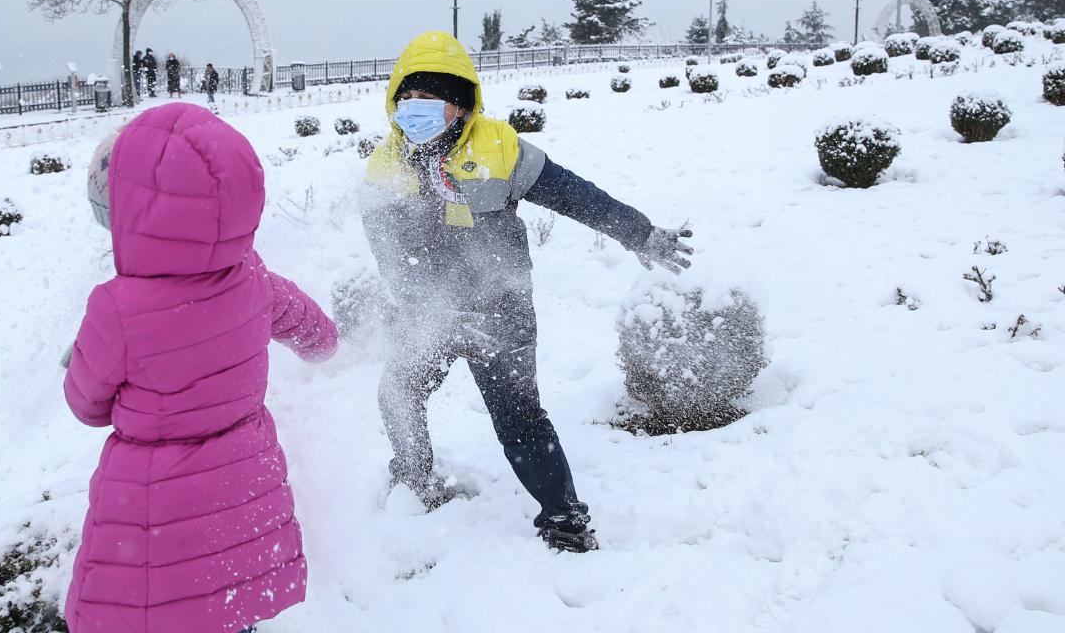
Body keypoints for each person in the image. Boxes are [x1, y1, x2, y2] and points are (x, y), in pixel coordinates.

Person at [359, 31, 694, 553]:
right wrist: (419, 305)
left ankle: (564, 518)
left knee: (518, 416)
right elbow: (388, 251)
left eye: (431, 99)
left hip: (499, 311)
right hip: (429, 311)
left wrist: (638, 232)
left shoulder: (500, 148)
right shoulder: (386, 164)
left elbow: (574, 195)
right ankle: (415, 476)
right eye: (408, 97)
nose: (415, 109)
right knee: (398, 393)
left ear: (461, 103)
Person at [63, 102, 338, 633]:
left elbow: (86, 403)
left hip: (156, 508)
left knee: (166, 610)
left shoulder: (117, 308)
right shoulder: (251, 276)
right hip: (245, 485)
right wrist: (325, 348)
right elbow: (308, 324)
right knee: (228, 605)